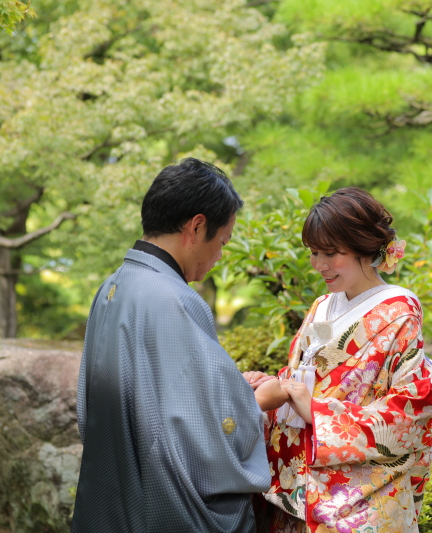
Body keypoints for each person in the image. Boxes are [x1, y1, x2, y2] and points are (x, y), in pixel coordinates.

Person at [70, 158, 271, 533]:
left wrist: (230, 388)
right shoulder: (174, 298)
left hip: (112, 499)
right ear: (197, 226)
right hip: (160, 509)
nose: (219, 256)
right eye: (222, 242)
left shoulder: (115, 285)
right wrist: (256, 401)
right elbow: (199, 430)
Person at [247, 187, 432, 533]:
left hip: (355, 496)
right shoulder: (324, 305)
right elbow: (311, 370)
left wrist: (319, 413)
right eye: (313, 252)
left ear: (365, 248)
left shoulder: (398, 312)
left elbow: (412, 408)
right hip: (295, 482)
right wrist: (274, 387)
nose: (319, 264)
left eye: (331, 253)